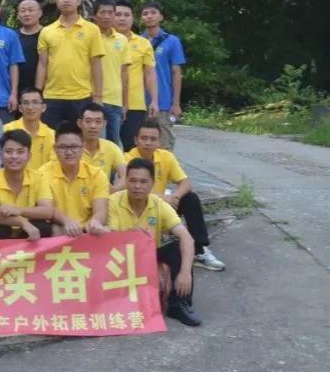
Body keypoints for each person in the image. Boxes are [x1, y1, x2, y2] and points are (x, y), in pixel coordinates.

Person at [108, 158, 200, 326]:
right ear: (126, 180)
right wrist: (130, 234)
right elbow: (110, 238)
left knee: (176, 249)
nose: (137, 186)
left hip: (149, 254)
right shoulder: (114, 201)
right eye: (133, 181)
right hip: (122, 256)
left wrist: (185, 273)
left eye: (143, 182)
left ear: (152, 184)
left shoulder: (158, 204)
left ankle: (179, 305)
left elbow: (186, 237)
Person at [126, 119, 225, 271]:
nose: (148, 143)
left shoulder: (166, 156)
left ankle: (199, 250)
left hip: (164, 206)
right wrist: (162, 198)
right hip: (141, 208)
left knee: (190, 198)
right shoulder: (127, 159)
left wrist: (175, 197)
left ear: (159, 142)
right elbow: (131, 189)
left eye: (153, 139)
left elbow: (186, 183)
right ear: (135, 140)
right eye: (144, 138)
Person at [36, 0, 105, 129]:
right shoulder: (47, 31)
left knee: (80, 138)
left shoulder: (92, 30)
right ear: (56, 0)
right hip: (52, 96)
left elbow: (96, 64)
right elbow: (42, 64)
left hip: (81, 96)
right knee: (50, 137)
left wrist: (98, 96)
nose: (66, 0)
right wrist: (38, 94)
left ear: (79, 1)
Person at [33, 123, 110, 235]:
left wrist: (95, 222)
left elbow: (101, 211)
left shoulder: (97, 175)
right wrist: (66, 221)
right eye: (63, 147)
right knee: (47, 227)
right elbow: (47, 208)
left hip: (87, 231)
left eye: (74, 147)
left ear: (83, 147)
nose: (69, 152)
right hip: (59, 230)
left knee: (104, 230)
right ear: (55, 149)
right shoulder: (42, 173)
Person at [0, 130, 55, 240]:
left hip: (29, 232)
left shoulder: (39, 177)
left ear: (29, 156)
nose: (14, 156)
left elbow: (48, 211)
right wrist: (22, 222)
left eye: (20, 152)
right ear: (0, 155)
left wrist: (19, 210)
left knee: (43, 226)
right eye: (9, 152)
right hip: (3, 230)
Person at [114, 0, 159, 150]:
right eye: (118, 14)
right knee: (107, 146)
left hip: (135, 105)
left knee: (132, 147)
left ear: (133, 18)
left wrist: (154, 101)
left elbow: (149, 73)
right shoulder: (100, 40)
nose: (122, 18)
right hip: (109, 101)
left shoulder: (143, 43)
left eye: (126, 15)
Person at [141, 0, 185, 150]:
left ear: (161, 17)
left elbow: (176, 73)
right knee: (143, 146)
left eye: (153, 13)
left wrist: (176, 103)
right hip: (140, 102)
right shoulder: (137, 41)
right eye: (145, 13)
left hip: (164, 101)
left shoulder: (172, 41)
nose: (149, 16)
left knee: (164, 145)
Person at [92, 0, 129, 146]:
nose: (106, 16)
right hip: (94, 98)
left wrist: (125, 103)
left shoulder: (122, 40)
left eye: (110, 12)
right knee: (97, 143)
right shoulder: (90, 36)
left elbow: (124, 73)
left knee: (113, 143)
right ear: (95, 15)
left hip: (115, 101)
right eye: (102, 12)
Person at [2, 88, 55, 172]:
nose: (30, 107)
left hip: (42, 179)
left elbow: (53, 165)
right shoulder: (6, 130)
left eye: (35, 102)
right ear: (20, 108)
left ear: (43, 107)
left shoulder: (52, 135)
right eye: (26, 103)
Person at [77, 102, 125, 190]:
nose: (93, 126)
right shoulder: (71, 148)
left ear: (104, 124)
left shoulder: (111, 147)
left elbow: (125, 175)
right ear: (79, 123)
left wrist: (115, 189)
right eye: (88, 121)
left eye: (98, 122)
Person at [16, 0, 43, 106]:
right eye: (23, 11)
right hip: (17, 91)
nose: (26, 14)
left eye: (31, 10)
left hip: (44, 91)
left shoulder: (48, 34)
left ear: (40, 13)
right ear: (18, 15)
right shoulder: (13, 37)